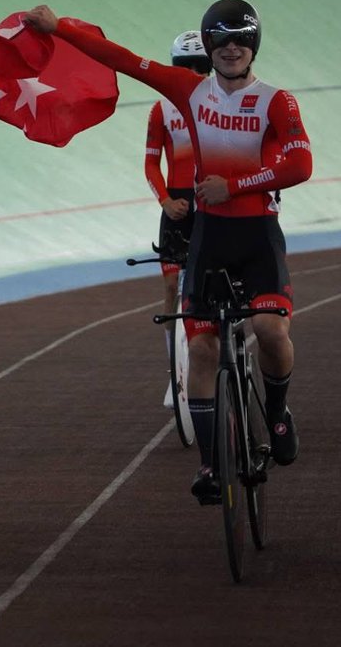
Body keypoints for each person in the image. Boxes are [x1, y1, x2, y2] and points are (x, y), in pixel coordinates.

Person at [23, 0, 312, 504]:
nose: (230, 50)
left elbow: (302, 164)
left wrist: (238, 184)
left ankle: (280, 412)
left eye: (240, 41)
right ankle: (208, 464)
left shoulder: (276, 102)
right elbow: (122, 58)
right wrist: (58, 27)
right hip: (210, 241)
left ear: (254, 46)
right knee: (200, 348)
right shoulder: (187, 90)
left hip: (258, 235)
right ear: (210, 47)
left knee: (269, 329)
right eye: (220, 42)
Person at [145, 32, 211, 407]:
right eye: (185, 67)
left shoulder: (222, 105)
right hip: (178, 203)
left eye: (201, 67)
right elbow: (152, 163)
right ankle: (176, 373)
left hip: (213, 200)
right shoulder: (162, 109)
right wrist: (167, 201)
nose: (193, 74)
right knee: (172, 288)